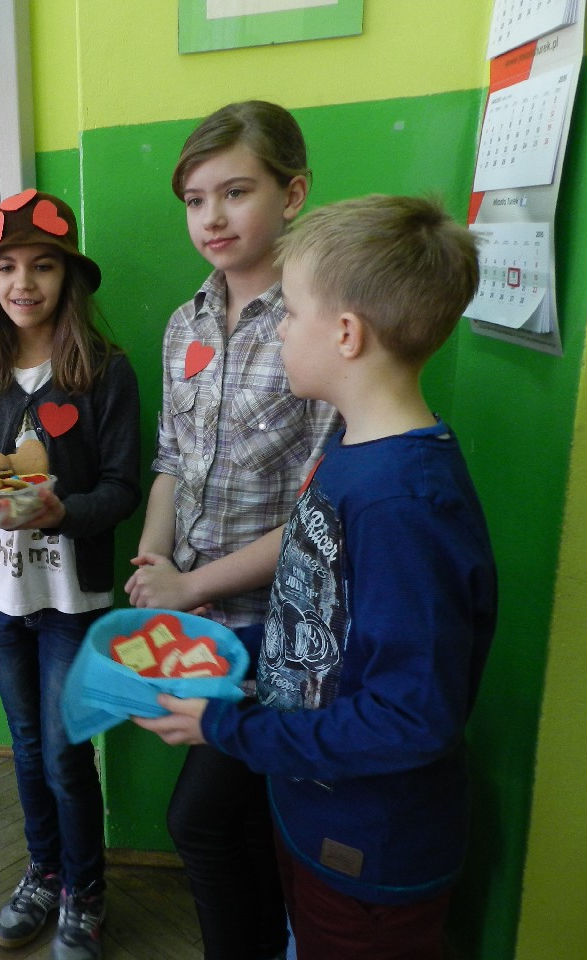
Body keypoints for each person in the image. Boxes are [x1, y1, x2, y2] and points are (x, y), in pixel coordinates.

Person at [134, 194, 496, 960]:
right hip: (315, 819)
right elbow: (320, 626)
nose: (280, 329)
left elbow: (411, 717)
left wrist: (225, 726)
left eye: (292, 314)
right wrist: (223, 664)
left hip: (373, 854)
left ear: (346, 334)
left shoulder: (403, 503)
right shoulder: (350, 458)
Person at [124, 101, 341, 960]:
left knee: (200, 822)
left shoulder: (320, 324)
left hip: (276, 631)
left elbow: (320, 519)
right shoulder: (186, 324)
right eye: (194, 199)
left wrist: (190, 584)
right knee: (245, 823)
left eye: (235, 192)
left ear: (294, 193)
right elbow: (170, 459)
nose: (210, 217)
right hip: (195, 619)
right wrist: (155, 558)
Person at [0, 189, 141, 960]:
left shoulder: (106, 373)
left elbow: (121, 489)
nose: (23, 283)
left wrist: (59, 513)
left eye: (43, 266)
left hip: (71, 597)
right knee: (26, 744)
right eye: (7, 268)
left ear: (69, 278)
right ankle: (44, 873)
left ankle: (85, 891)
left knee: (63, 750)